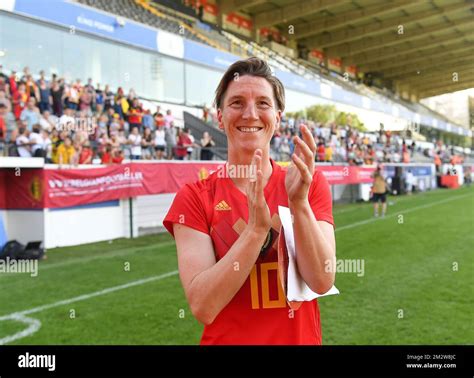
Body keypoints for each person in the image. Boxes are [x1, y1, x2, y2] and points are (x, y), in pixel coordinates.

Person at [163, 58, 335, 345]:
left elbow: (322, 280)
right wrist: (255, 231)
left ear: (278, 118)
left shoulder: (308, 183)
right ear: (220, 117)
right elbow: (203, 306)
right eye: (237, 103)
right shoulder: (193, 198)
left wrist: (300, 205)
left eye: (263, 104)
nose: (251, 114)